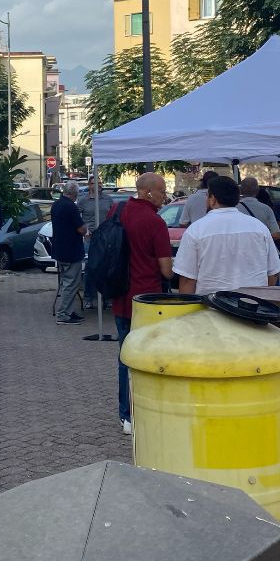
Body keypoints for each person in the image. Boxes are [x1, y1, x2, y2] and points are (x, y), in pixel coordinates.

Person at [116, 172, 174, 434]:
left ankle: (125, 414)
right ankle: (145, 409)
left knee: (125, 356)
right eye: (162, 190)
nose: (165, 195)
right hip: (147, 299)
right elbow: (166, 271)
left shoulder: (118, 212)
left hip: (119, 296)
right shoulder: (155, 222)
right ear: (148, 192)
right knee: (148, 357)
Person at [175, 176, 280, 295]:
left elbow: (187, 280)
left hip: (210, 308)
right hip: (252, 307)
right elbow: (273, 273)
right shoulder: (260, 228)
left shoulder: (196, 230)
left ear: (212, 199)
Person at [50, 180, 87, 325]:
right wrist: (85, 229)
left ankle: (69, 311)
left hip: (59, 249)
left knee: (66, 282)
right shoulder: (71, 207)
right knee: (71, 283)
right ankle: (63, 314)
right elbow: (80, 228)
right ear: (74, 194)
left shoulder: (56, 205)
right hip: (71, 250)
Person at [81, 176, 116, 311]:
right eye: (95, 183)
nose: (99, 185)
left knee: (107, 268)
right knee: (91, 268)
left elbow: (113, 216)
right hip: (90, 238)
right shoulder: (83, 200)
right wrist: (84, 230)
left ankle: (107, 298)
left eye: (100, 182)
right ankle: (88, 298)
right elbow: (77, 218)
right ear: (89, 185)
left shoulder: (108, 199)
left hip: (105, 238)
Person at [237, 176, 280, 247]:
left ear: (240, 190)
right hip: (262, 250)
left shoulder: (234, 209)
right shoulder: (266, 209)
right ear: (258, 190)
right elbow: (277, 234)